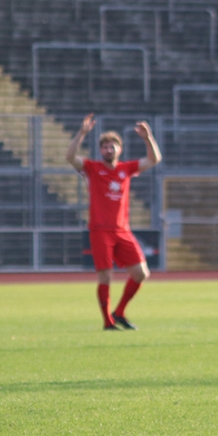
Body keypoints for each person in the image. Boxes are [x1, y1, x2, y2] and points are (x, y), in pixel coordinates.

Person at [66, 113, 162, 330]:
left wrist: (148, 138)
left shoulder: (125, 169)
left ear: (120, 149)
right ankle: (107, 322)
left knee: (141, 273)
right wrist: (81, 133)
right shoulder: (92, 168)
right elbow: (70, 157)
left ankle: (119, 312)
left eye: (113, 147)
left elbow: (154, 159)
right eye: (105, 147)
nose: (109, 150)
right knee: (106, 276)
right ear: (101, 150)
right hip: (100, 230)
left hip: (122, 230)